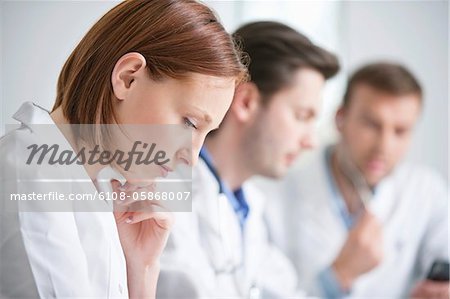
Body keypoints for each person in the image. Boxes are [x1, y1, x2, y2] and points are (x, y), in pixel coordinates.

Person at [0, 0, 247, 298]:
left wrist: (142, 271)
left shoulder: (96, 193)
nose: (192, 159)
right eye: (190, 123)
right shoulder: (32, 174)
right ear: (128, 78)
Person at [157, 21, 340, 298]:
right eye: (302, 116)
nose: (310, 141)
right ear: (246, 103)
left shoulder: (248, 207)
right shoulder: (167, 190)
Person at [262, 62, 449, 298]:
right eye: (372, 125)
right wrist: (338, 275)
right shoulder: (276, 195)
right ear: (341, 118)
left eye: (400, 131)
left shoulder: (426, 191)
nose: (384, 146)